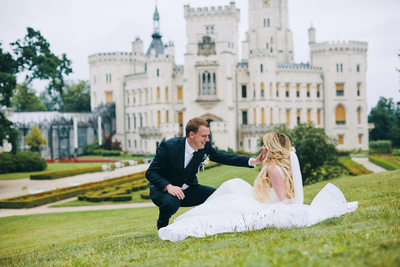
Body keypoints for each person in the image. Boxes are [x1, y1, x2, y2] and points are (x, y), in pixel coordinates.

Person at [158, 132, 358, 242]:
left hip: (267, 204)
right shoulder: (280, 165)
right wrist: (257, 160)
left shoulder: (273, 167)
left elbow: (281, 198)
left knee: (231, 190)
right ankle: (165, 218)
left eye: (264, 144)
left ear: (269, 147)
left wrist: (289, 210)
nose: (262, 146)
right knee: (232, 187)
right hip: (264, 199)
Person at [145, 117, 265, 230]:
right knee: (171, 202)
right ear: (191, 135)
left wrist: (253, 161)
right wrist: (169, 186)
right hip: (164, 191)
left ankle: (215, 226)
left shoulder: (204, 147)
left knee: (219, 196)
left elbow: (223, 157)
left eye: (208, 136)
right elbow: (151, 173)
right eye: (204, 136)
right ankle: (162, 225)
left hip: (189, 190)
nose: (207, 139)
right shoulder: (169, 146)